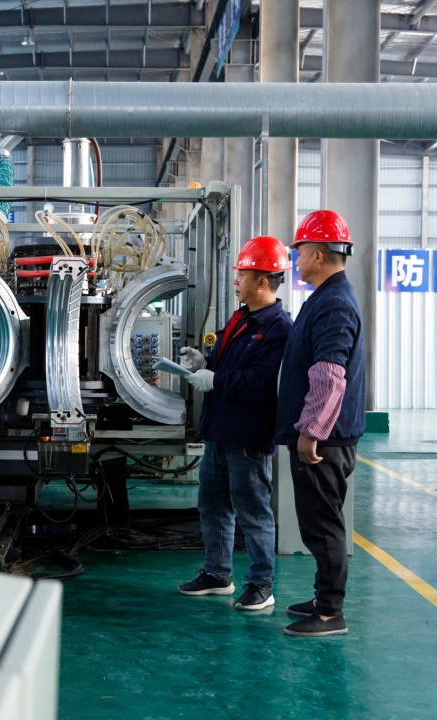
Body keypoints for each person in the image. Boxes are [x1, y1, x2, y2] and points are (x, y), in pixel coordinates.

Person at [162, 236, 292, 612]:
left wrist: (216, 380)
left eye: (242, 274)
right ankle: (218, 574)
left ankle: (262, 585)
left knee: (253, 512)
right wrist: (204, 362)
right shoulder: (241, 318)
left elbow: (262, 382)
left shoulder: (279, 328)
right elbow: (230, 364)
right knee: (213, 506)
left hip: (247, 437)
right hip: (219, 431)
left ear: (262, 281)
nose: (236, 279)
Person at [275, 209, 366, 638]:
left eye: (300, 251)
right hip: (327, 435)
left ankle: (330, 614)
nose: (295, 259)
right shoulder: (325, 297)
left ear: (317, 254)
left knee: (324, 525)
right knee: (316, 523)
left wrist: (311, 431)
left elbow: (330, 375)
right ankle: (321, 598)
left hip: (324, 440)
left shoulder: (334, 302)